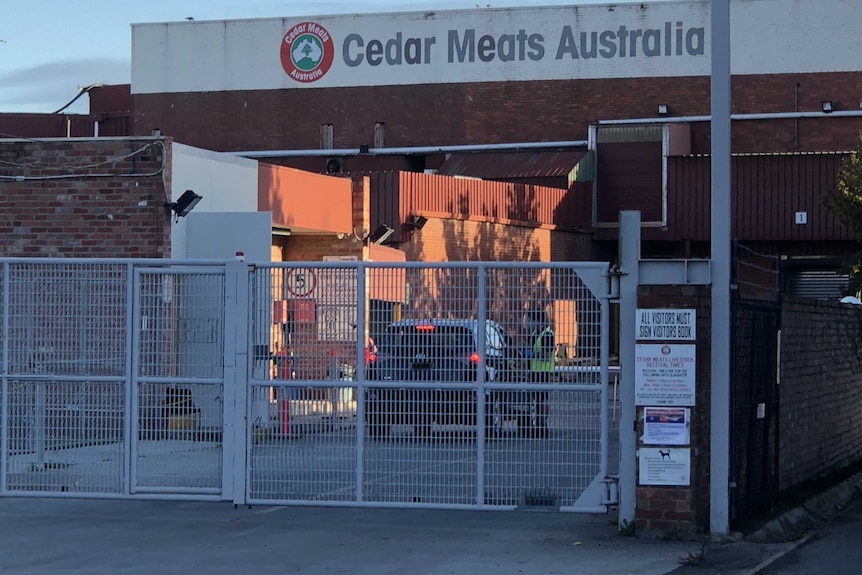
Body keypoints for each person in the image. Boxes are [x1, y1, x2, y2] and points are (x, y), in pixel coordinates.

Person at [521, 307, 555, 438]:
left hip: (543, 372)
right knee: (535, 400)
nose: (527, 323)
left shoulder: (547, 334)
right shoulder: (535, 333)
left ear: (536, 320)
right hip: (534, 372)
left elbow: (546, 355)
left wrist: (532, 354)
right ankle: (535, 423)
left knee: (542, 400)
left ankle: (542, 425)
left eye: (528, 320)